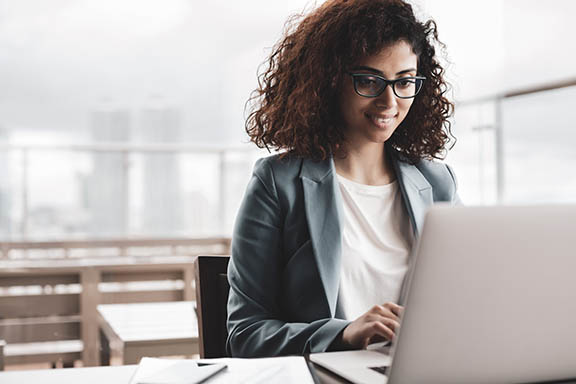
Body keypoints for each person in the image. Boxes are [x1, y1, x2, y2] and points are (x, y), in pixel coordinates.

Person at [226, 0, 459, 358]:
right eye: (369, 80)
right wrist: (344, 334)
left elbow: (469, 301)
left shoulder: (437, 182)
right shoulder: (278, 183)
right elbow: (246, 333)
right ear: (328, 79)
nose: (389, 101)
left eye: (405, 82)